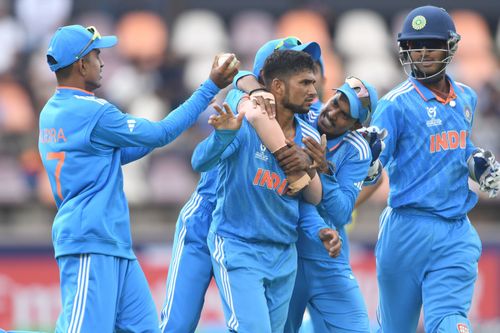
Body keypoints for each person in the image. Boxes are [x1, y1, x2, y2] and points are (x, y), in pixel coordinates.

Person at [38, 24, 238, 332]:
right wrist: (209, 87)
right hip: (90, 238)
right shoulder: (94, 113)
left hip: (111, 241)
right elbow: (159, 134)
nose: (102, 63)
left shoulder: (52, 111)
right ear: (81, 64)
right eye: (96, 55)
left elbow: (114, 157)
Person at [159, 37, 324, 333]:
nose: (312, 82)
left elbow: (309, 195)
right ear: (271, 80)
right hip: (209, 220)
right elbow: (242, 87)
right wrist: (250, 92)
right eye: (293, 62)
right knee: (176, 325)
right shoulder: (242, 102)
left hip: (259, 230)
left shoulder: (304, 120)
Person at [192, 50, 341, 333]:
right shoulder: (245, 125)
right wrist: (222, 137)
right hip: (238, 246)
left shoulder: (308, 136)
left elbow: (308, 200)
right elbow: (199, 161)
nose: (313, 90)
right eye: (304, 83)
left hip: (283, 256)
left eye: (313, 82)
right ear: (277, 87)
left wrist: (312, 174)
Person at [371, 6, 500, 333]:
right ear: (405, 50)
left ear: (451, 46)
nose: (424, 52)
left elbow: (459, 148)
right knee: (395, 328)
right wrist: (365, 161)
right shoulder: (394, 104)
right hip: (405, 228)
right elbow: (373, 165)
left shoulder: (467, 98)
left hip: (455, 229)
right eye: (416, 45)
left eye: (432, 43)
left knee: (449, 319)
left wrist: (476, 163)